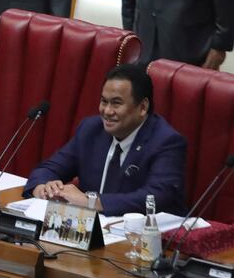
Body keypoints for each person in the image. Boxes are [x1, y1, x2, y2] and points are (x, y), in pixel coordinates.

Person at [23, 64, 186, 216]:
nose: (107, 111)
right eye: (104, 101)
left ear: (142, 107)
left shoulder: (166, 141)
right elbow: (50, 167)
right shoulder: (91, 130)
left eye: (116, 103)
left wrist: (92, 202)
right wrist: (43, 187)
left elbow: (157, 196)